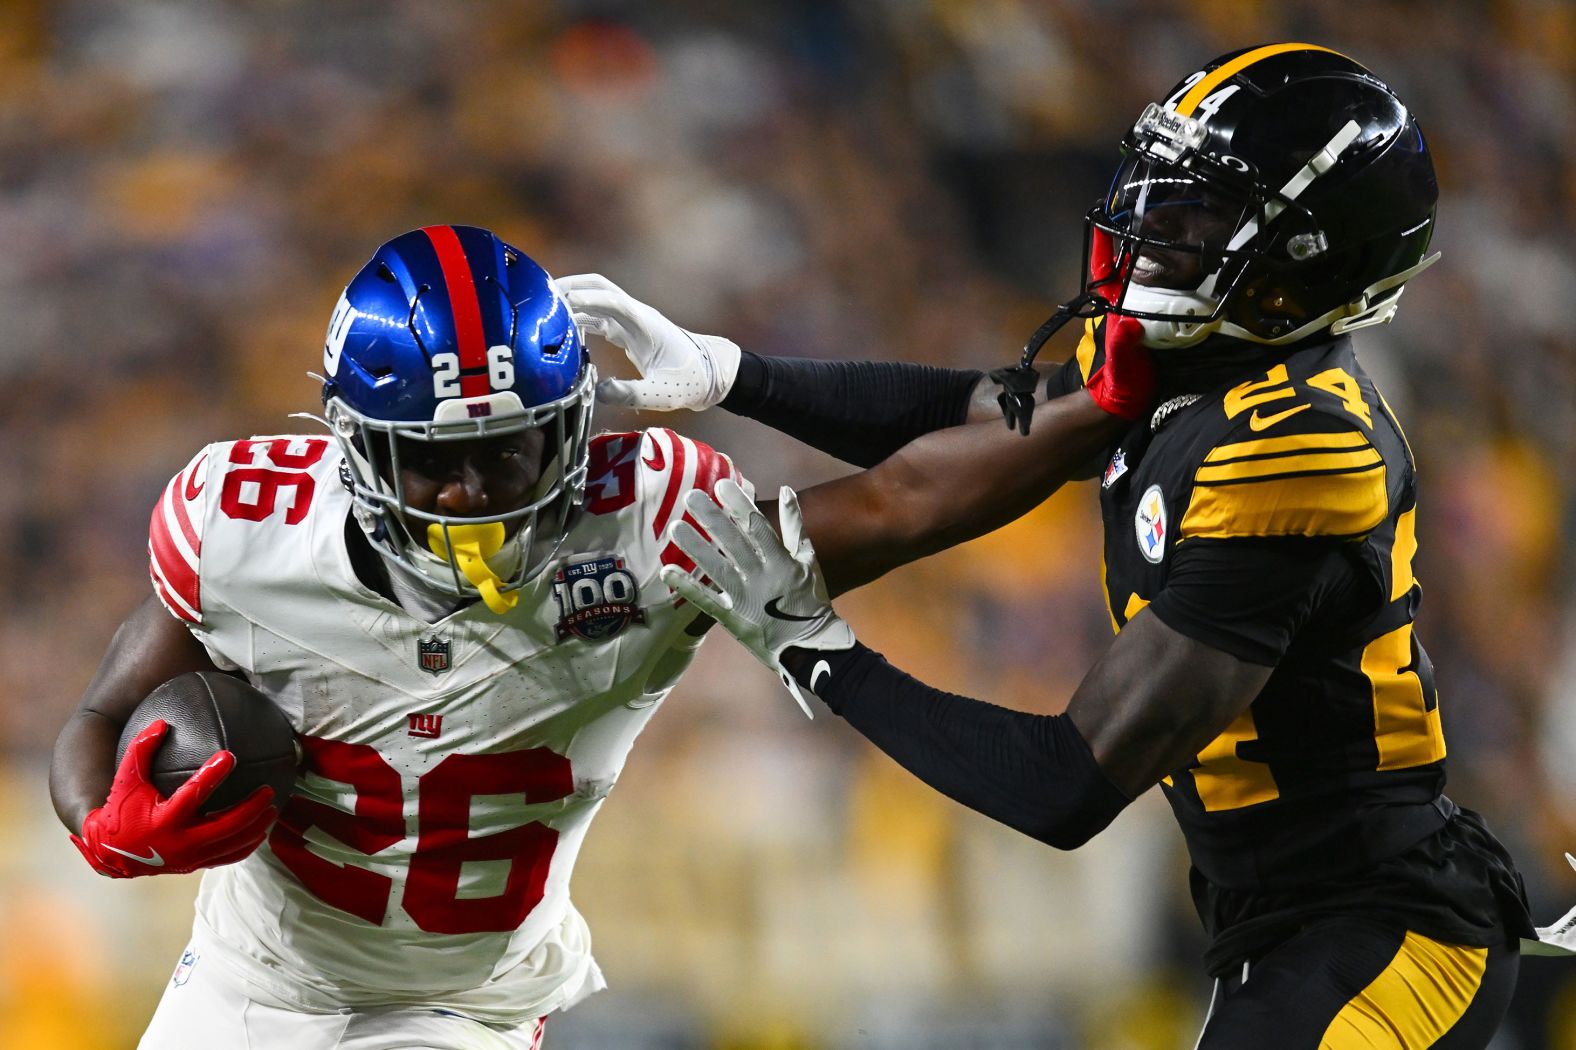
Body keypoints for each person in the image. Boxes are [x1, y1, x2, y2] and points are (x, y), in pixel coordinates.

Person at [564, 45, 1540, 1048]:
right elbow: (985, 411)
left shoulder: (1301, 447)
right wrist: (731, 372)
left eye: (1196, 217)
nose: (1150, 233)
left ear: (1304, 266)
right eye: (1159, 197)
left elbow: (1065, 783)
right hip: (1282, 918)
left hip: (1388, 927)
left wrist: (818, 651)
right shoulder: (1200, 353)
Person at [48, 225, 1151, 1048]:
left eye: (512, 451)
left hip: (465, 1002)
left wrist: (1094, 411)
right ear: (355, 449)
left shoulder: (650, 523)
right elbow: (103, 710)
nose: (472, 492)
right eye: (435, 459)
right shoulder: (245, 532)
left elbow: (903, 503)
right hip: (252, 982)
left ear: (574, 428)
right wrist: (105, 822)